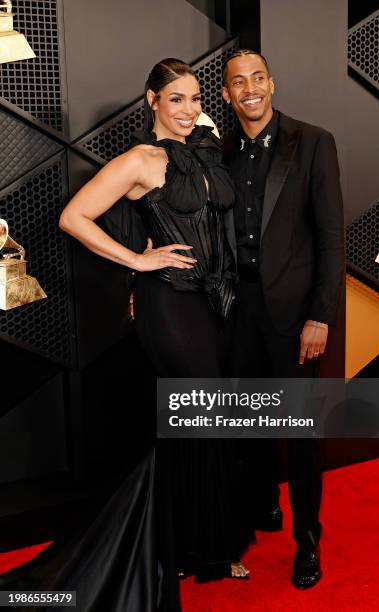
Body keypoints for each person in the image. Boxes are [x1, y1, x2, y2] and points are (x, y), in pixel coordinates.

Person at [58, 57, 250, 593]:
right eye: (176, 100)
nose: (188, 110)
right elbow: (74, 217)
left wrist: (203, 133)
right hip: (168, 301)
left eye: (195, 98)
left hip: (217, 304)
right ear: (152, 101)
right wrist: (138, 260)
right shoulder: (139, 161)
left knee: (205, 421)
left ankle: (204, 541)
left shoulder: (206, 151)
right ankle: (194, 546)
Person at [221, 49, 345, 589]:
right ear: (226, 94)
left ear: (272, 83)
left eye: (257, 78)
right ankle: (264, 504)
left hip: (294, 316)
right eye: (236, 82)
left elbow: (330, 236)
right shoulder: (217, 151)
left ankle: (307, 541)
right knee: (248, 423)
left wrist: (321, 316)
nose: (249, 89)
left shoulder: (313, 141)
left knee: (299, 434)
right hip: (235, 312)